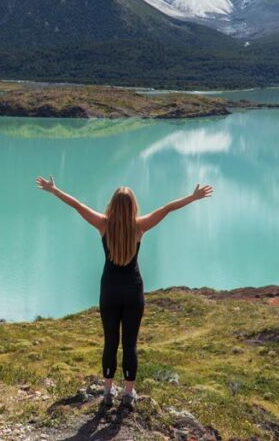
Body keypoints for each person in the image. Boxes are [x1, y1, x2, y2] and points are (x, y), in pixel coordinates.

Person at [35, 175, 213, 408]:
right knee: (130, 344)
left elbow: (77, 205)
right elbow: (167, 208)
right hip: (133, 291)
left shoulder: (103, 224)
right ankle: (128, 394)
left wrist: (54, 190)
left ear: (112, 205)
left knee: (110, 342)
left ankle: (108, 391)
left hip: (109, 290)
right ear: (133, 206)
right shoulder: (139, 226)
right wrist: (193, 197)